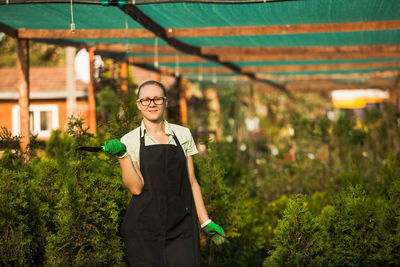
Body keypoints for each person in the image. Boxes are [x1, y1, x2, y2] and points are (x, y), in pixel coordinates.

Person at [104, 80, 225, 266]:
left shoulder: (183, 134)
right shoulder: (130, 139)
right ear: (138, 104)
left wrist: (205, 221)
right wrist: (123, 155)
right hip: (144, 230)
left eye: (157, 99)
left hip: (181, 228)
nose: (151, 104)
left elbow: (192, 182)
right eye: (145, 100)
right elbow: (136, 188)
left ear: (166, 102)